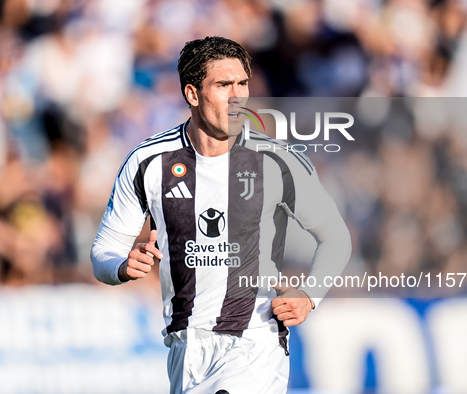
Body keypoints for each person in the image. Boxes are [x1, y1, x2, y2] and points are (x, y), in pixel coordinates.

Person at [90, 36, 351, 394]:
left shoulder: (277, 160)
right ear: (193, 94)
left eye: (242, 83)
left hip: (254, 340)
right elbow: (103, 251)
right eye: (223, 85)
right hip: (185, 346)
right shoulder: (148, 163)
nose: (237, 96)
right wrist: (122, 266)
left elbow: (335, 237)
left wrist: (310, 294)